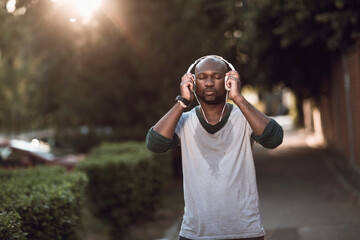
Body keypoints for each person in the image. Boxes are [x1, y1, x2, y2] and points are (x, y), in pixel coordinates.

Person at [146, 55, 283, 240]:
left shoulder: (244, 118)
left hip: (245, 232)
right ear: (192, 83)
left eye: (216, 77)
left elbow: (274, 139)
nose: (209, 83)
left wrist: (238, 97)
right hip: (195, 234)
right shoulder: (184, 121)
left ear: (228, 81)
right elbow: (154, 144)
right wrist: (181, 103)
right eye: (202, 77)